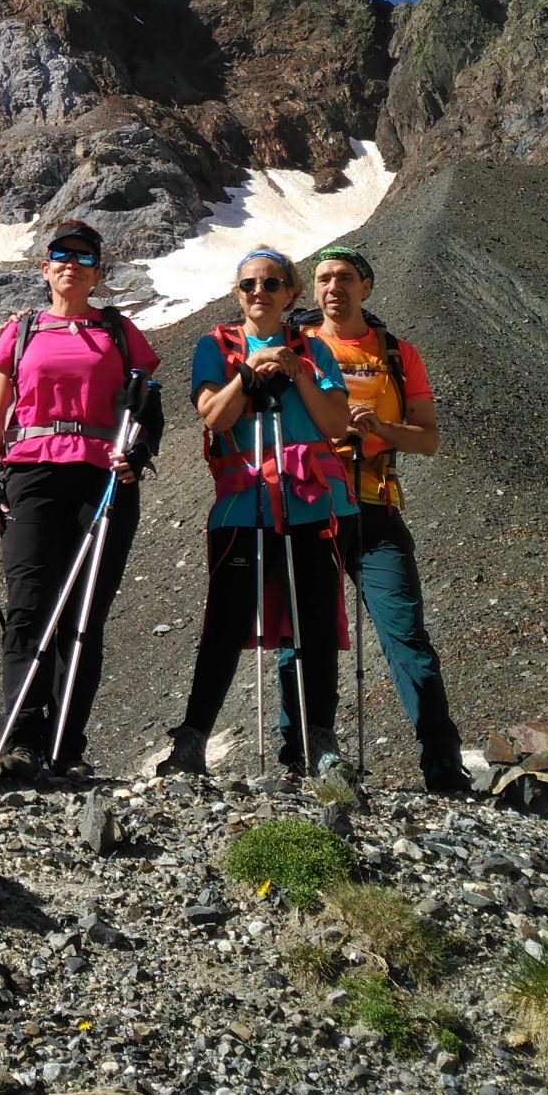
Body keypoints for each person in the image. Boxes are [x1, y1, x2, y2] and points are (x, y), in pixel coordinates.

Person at [0, 220, 165, 782]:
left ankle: (66, 743)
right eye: (61, 254)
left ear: (98, 273)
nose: (71, 264)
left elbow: (147, 407)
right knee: (29, 608)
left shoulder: (120, 332)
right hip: (32, 473)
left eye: (84, 257)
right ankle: (24, 738)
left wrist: (141, 451)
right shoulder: (23, 329)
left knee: (84, 614)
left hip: (103, 476)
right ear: (45, 267)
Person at [159, 249, 356, 779]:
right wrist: (248, 375)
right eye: (249, 284)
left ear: (291, 293)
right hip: (244, 506)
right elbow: (212, 414)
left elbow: (337, 425)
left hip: (310, 504)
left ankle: (321, 742)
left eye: (271, 284)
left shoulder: (314, 350)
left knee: (315, 622)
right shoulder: (215, 347)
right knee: (224, 622)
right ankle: (192, 740)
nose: (259, 293)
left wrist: (300, 374)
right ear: (237, 291)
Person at [298, 242, 467, 793]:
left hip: (375, 506)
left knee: (407, 634)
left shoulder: (398, 355)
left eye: (344, 277)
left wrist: (380, 432)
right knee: (307, 634)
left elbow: (430, 438)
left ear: (365, 287)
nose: (332, 287)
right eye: (323, 278)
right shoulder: (297, 348)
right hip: (311, 504)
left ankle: (442, 761)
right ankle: (301, 752)